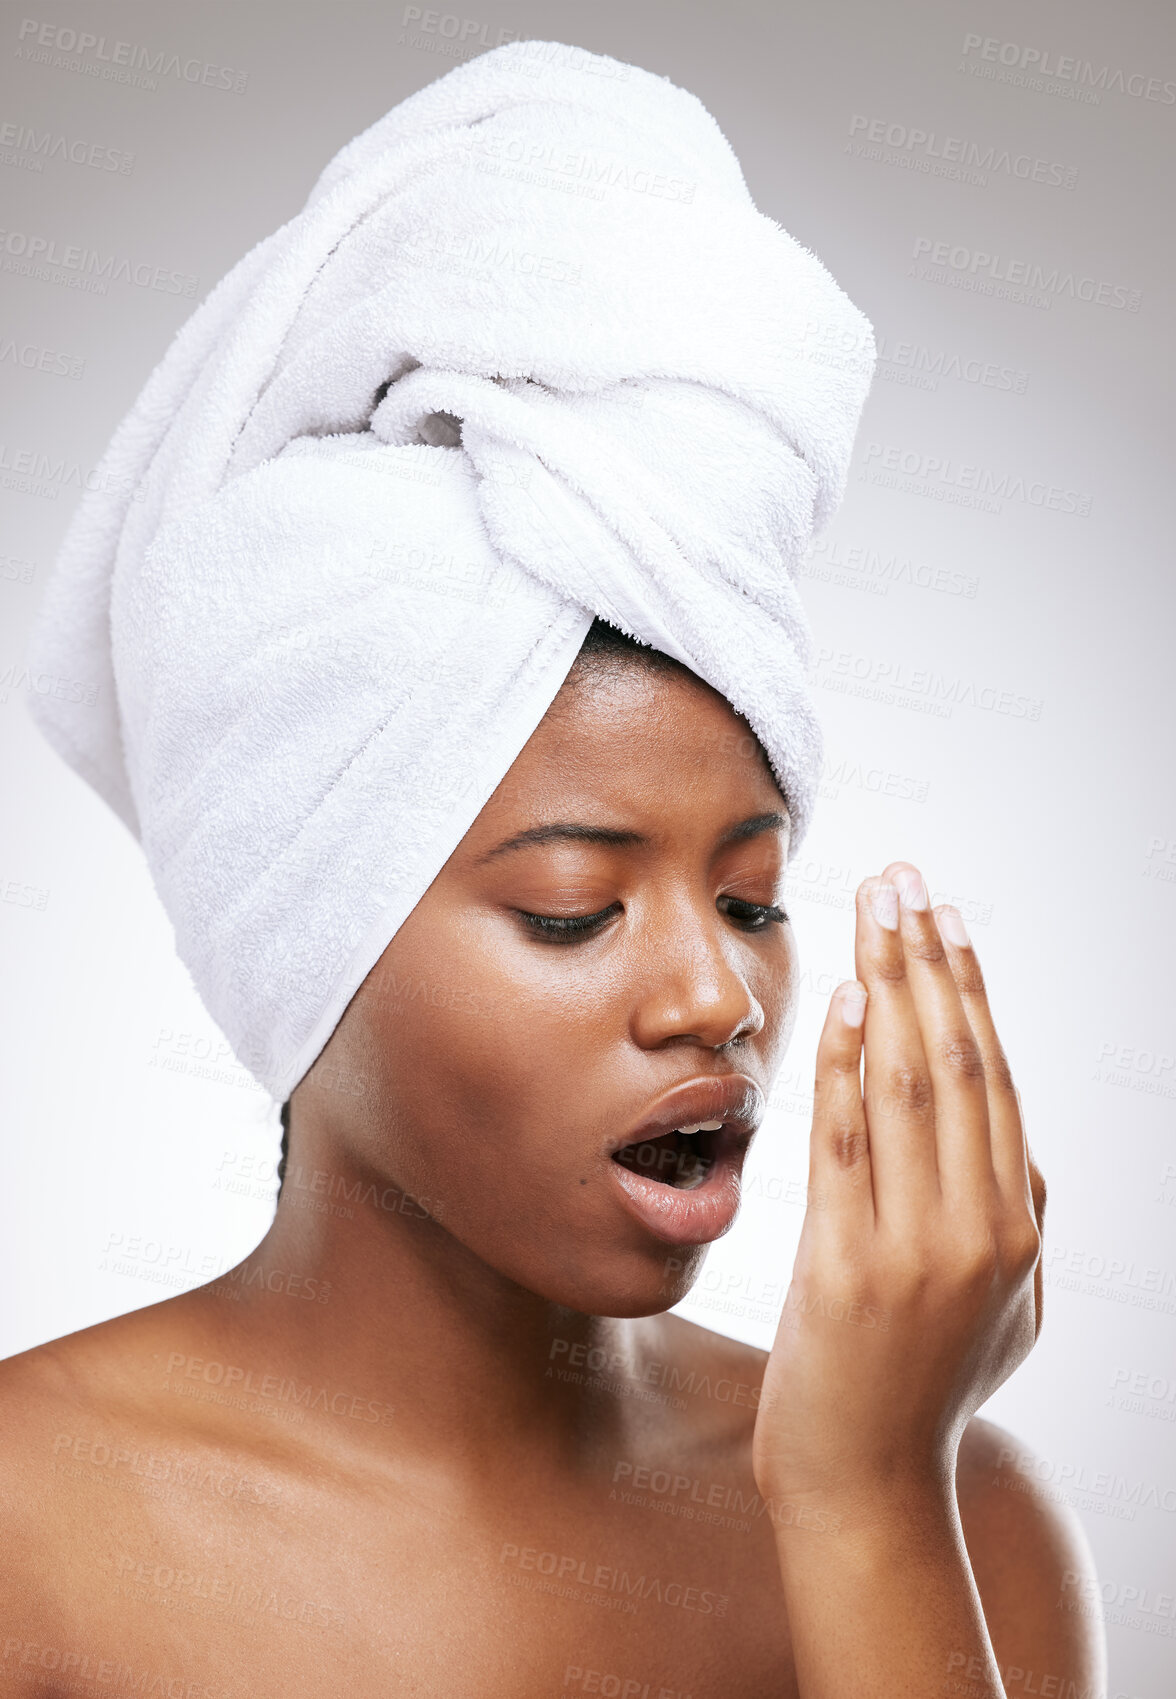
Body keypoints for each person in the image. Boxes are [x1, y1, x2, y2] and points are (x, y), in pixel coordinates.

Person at [0, 616, 1104, 1696]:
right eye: (573, 911)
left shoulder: (963, 1520)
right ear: (301, 958)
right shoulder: (32, 1527)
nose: (719, 997)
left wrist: (867, 1502)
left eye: (749, 900)